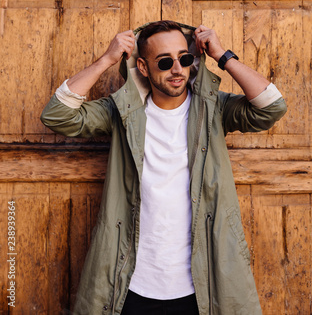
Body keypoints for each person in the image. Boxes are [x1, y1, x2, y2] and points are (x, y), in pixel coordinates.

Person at [41, 20, 287, 315]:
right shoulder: (121, 112)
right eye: (165, 61)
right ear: (143, 67)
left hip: (202, 282)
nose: (177, 69)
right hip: (131, 280)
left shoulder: (213, 108)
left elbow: (271, 108)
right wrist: (107, 59)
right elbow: (57, 115)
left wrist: (222, 55)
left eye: (184, 59)